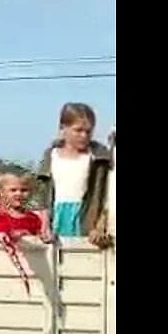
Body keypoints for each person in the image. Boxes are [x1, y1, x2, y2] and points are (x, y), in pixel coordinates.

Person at [35, 103, 113, 247]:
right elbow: (44, 195)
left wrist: (99, 225)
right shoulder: (52, 155)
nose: (84, 136)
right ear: (63, 128)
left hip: (85, 218)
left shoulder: (98, 158)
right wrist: (44, 225)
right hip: (57, 217)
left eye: (88, 131)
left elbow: (105, 196)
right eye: (78, 130)